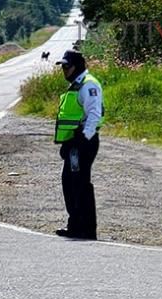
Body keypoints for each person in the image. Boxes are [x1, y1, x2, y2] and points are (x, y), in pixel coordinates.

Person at [54, 50, 104, 240]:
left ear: (78, 66)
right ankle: (75, 224)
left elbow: (94, 115)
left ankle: (86, 228)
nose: (64, 70)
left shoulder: (88, 84)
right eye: (63, 67)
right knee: (70, 181)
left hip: (84, 141)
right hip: (75, 142)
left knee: (80, 183)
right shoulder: (78, 84)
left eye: (67, 66)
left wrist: (82, 140)